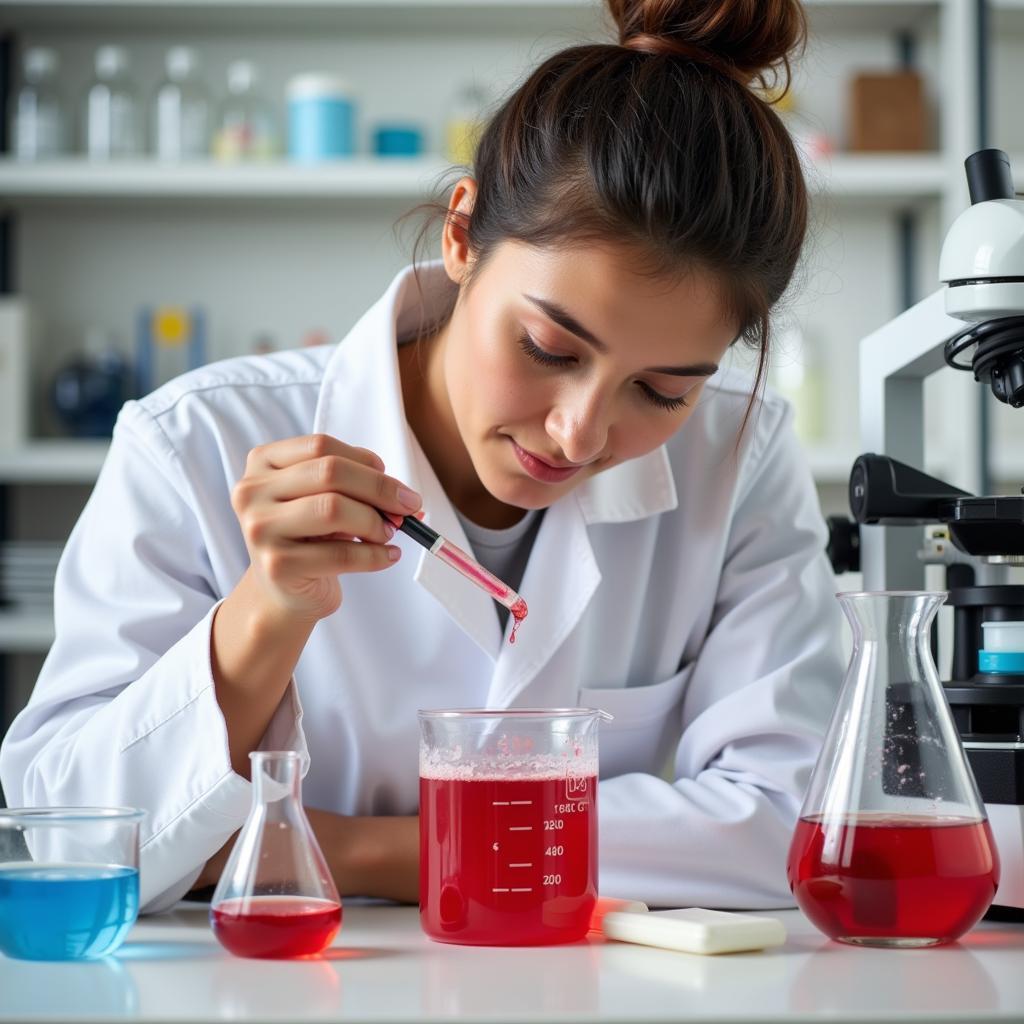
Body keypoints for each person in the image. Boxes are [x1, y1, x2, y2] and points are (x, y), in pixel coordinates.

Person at [0, 0, 844, 914]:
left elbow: (793, 827)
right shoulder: (192, 442)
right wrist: (264, 613)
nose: (580, 433)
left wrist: (326, 846)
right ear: (461, 234)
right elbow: (64, 834)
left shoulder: (738, 458)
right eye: (550, 350)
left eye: (662, 392)